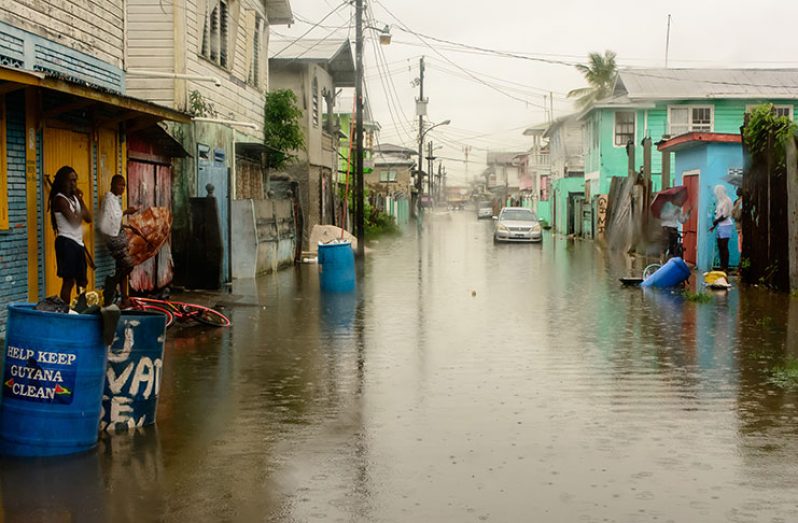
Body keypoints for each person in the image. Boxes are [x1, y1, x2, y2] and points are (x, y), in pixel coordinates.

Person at [49, 166, 92, 304]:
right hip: (66, 243)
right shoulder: (60, 200)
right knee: (69, 281)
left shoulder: (74, 198)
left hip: (77, 243)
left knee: (82, 281)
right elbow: (74, 222)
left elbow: (88, 218)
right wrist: (79, 205)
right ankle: (65, 311)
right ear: (62, 182)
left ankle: (81, 306)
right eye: (70, 181)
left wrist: (80, 198)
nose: (73, 184)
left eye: (75, 181)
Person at [99, 175, 138, 306]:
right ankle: (112, 283)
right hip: (113, 238)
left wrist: (126, 225)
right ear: (112, 184)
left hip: (118, 235)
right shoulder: (109, 199)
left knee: (121, 267)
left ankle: (123, 297)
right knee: (128, 265)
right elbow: (110, 218)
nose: (122, 188)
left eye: (124, 185)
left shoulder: (115, 200)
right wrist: (127, 211)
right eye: (120, 185)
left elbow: (114, 219)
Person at [709, 184, 734, 272]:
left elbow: (725, 215)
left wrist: (716, 222)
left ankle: (725, 267)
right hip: (720, 226)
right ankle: (722, 266)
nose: (717, 194)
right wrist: (714, 226)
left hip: (726, 225)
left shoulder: (727, 200)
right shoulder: (720, 201)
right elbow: (718, 214)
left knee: (724, 246)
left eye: (718, 192)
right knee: (720, 246)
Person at [732, 187, 743, 252]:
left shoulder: (737, 201)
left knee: (740, 242)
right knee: (741, 242)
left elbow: (734, 214)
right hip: (740, 224)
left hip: (738, 225)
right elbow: (738, 215)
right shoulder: (740, 201)